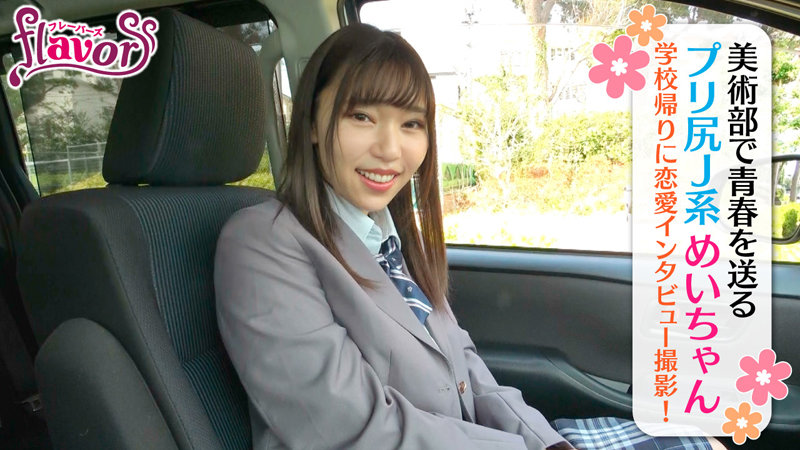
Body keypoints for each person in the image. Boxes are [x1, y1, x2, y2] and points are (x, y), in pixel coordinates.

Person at [214, 23, 722, 450]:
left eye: (411, 124)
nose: (390, 149)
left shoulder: (389, 237)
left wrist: (546, 443)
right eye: (361, 116)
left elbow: (466, 366)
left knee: (698, 436)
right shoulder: (263, 242)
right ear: (311, 123)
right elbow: (347, 428)